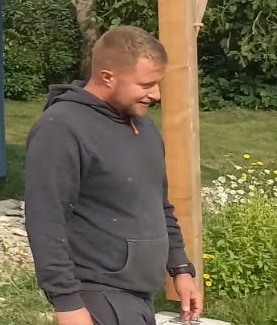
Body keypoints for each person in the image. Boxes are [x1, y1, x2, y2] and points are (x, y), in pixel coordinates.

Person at [24, 25, 202, 325]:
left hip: (140, 293)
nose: (156, 94)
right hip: (98, 294)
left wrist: (181, 268)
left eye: (157, 84)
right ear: (107, 77)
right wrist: (67, 303)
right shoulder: (61, 128)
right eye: (146, 84)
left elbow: (159, 205)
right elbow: (45, 221)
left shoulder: (143, 126)